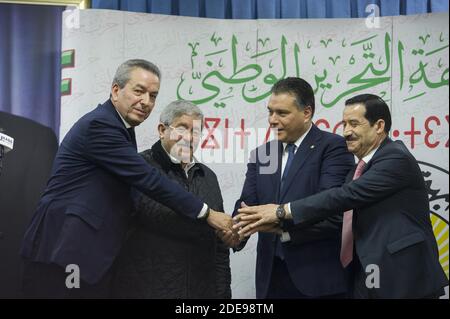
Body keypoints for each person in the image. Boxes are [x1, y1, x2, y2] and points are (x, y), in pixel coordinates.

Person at [20, 59, 233, 298]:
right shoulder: (100, 125)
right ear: (115, 90)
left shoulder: (121, 129)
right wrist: (206, 213)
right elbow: (148, 180)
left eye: (153, 96)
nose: (146, 102)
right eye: (139, 91)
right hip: (66, 249)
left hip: (88, 256)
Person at [235, 93, 448, 298]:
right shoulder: (357, 171)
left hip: (402, 277)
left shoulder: (395, 158)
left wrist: (282, 211)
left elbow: (344, 196)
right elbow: (339, 220)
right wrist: (280, 228)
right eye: (344, 124)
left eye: (354, 124)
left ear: (379, 126)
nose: (346, 132)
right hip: (366, 277)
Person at [225, 77, 354, 299]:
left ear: (307, 112)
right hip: (271, 278)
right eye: (270, 112)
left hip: (316, 277)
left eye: (281, 113)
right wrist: (236, 231)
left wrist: (281, 225)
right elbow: (248, 204)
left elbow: (332, 211)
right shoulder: (264, 154)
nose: (272, 120)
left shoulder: (333, 148)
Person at [112, 100, 231, 298]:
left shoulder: (208, 176)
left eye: (195, 131)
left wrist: (222, 295)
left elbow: (219, 249)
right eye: (182, 128)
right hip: (147, 290)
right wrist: (204, 216)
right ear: (161, 129)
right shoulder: (139, 168)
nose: (189, 138)